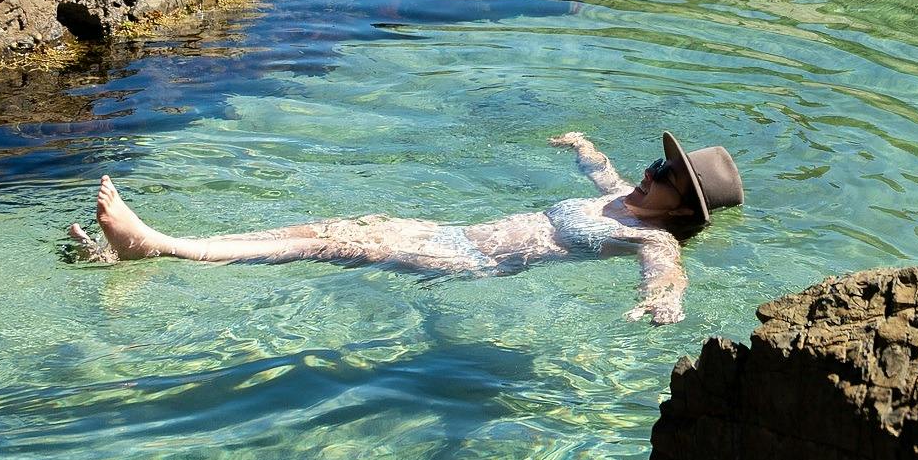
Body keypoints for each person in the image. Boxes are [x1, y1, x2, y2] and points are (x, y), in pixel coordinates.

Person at [66, 130, 744, 324]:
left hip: (471, 262)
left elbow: (667, 275)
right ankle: (139, 250)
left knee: (325, 244)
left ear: (683, 209)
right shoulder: (629, 195)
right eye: (658, 162)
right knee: (318, 226)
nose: (652, 173)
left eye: (667, 175)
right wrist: (583, 147)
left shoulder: (654, 235)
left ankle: (155, 246)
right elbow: (601, 175)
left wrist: (665, 303)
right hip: (452, 230)